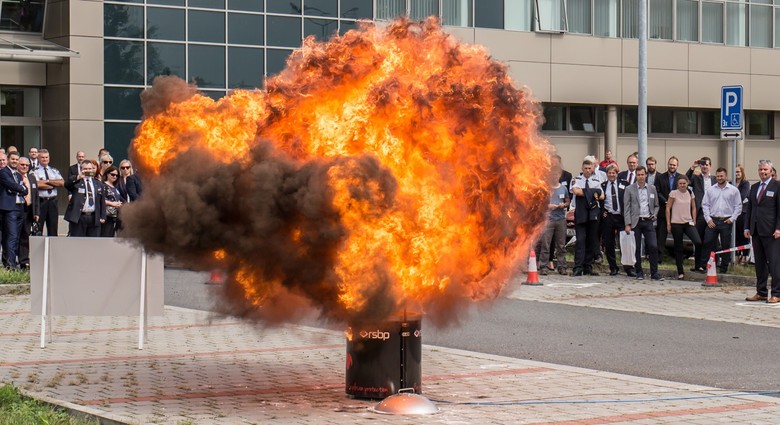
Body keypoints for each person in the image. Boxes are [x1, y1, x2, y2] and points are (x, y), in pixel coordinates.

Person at [743, 160, 780, 303]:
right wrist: (747, 227)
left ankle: (776, 293)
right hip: (756, 231)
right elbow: (750, 209)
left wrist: (778, 228)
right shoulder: (754, 187)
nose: (763, 172)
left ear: (771, 171)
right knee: (759, 263)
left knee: (775, 263)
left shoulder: (777, 186)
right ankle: (761, 292)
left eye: (765, 169)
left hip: (772, 232)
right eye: (760, 169)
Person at [623, 166, 663, 281]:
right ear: (636, 175)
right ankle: (639, 271)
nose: (641, 177)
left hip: (648, 221)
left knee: (653, 246)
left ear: (646, 175)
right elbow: (626, 208)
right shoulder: (629, 189)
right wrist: (628, 223)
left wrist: (654, 214)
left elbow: (656, 205)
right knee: (636, 248)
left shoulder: (652, 188)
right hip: (636, 221)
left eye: (642, 174)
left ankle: (654, 272)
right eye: (638, 175)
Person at [701, 167, 742, 274]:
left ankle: (723, 268)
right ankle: (704, 266)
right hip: (712, 220)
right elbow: (705, 205)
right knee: (707, 242)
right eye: (718, 176)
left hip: (726, 221)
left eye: (721, 176)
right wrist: (708, 219)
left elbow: (738, 206)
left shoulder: (734, 190)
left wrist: (732, 218)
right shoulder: (711, 190)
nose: (719, 178)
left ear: (726, 176)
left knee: (725, 245)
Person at [571, 159, 603, 276]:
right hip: (580, 212)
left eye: (590, 168)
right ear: (582, 168)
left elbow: (602, 195)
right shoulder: (576, 179)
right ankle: (578, 266)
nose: (588, 170)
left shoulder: (596, 180)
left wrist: (587, 191)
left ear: (593, 168)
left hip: (593, 213)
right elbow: (576, 191)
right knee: (580, 240)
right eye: (586, 168)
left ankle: (588, 266)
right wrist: (593, 192)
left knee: (591, 239)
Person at [666, 175, 701, 280]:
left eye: (684, 183)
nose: (682, 185)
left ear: (687, 183)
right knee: (678, 247)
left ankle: (697, 265)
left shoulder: (690, 192)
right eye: (680, 183)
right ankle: (680, 271)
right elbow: (668, 208)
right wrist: (668, 223)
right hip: (676, 223)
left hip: (688, 222)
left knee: (698, 242)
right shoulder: (673, 193)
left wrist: (694, 219)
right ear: (677, 184)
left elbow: (694, 207)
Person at [686, 156, 716, 272]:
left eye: (706, 164)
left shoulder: (714, 179)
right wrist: (692, 167)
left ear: (710, 166)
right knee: (698, 240)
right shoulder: (696, 178)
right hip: (700, 213)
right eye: (702, 164)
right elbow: (685, 180)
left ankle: (710, 264)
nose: (704, 166)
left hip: (713, 213)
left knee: (710, 241)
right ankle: (698, 265)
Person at [600, 164, 630, 276]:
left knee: (625, 243)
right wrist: (602, 211)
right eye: (609, 173)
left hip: (621, 217)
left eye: (613, 173)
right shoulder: (602, 186)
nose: (611, 175)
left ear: (617, 174)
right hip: (609, 217)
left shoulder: (624, 184)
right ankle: (613, 267)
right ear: (607, 174)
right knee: (609, 243)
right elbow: (599, 200)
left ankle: (628, 267)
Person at [0, 153, 28, 268]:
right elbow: (13, 186)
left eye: (17, 159)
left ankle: (9, 261)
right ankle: (11, 264)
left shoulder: (17, 174)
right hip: (9, 208)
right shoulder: (3, 172)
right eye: (12, 159)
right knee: (11, 236)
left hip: (19, 207)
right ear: (8, 160)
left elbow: (25, 190)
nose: (15, 161)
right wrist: (21, 188)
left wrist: (21, 189)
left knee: (16, 236)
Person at [64, 160, 106, 237]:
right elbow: (67, 185)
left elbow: (102, 201)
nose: (88, 171)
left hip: (94, 217)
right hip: (79, 217)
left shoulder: (98, 183)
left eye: (90, 169)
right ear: (81, 169)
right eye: (85, 169)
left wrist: (102, 216)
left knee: (93, 243)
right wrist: (78, 177)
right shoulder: (77, 182)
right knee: (78, 242)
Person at [539, 178, 569, 276]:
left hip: (560, 219)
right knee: (546, 244)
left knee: (561, 245)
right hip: (548, 220)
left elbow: (567, 201)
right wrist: (548, 206)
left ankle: (562, 267)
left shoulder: (563, 188)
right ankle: (544, 266)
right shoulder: (545, 188)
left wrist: (563, 205)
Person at [33, 149, 64, 236]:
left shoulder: (53, 170)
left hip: (53, 202)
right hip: (41, 202)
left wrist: (47, 181)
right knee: (38, 228)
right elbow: (37, 184)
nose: (45, 159)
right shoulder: (34, 171)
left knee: (53, 228)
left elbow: (61, 182)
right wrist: (53, 183)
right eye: (42, 157)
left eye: (46, 157)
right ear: (38, 158)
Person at [655, 156, 680, 262]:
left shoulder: (680, 178)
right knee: (661, 236)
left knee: (677, 236)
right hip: (663, 211)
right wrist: (666, 201)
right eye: (670, 164)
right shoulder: (660, 177)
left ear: (677, 166)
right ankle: (658, 258)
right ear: (668, 164)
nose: (672, 166)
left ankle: (678, 259)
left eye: (674, 165)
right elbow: (657, 191)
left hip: (677, 212)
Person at [16, 157, 39, 269]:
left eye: (27, 165)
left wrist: (37, 212)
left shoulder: (31, 178)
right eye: (22, 165)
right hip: (16, 210)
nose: (25, 167)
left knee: (26, 235)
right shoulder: (14, 177)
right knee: (14, 235)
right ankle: (11, 260)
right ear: (17, 165)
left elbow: (36, 196)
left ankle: (24, 261)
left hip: (29, 210)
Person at [734, 164, 751, 265]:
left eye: (738, 172)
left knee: (744, 235)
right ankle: (736, 255)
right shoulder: (731, 183)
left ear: (742, 173)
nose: (736, 174)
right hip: (734, 213)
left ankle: (744, 256)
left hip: (743, 213)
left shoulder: (745, 183)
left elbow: (742, 196)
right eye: (735, 172)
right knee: (735, 235)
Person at [100, 166, 123, 237]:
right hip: (106, 216)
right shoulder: (103, 186)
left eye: (117, 175)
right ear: (107, 174)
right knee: (105, 236)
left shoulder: (115, 187)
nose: (115, 176)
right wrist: (112, 204)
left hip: (114, 216)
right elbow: (100, 200)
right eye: (112, 174)